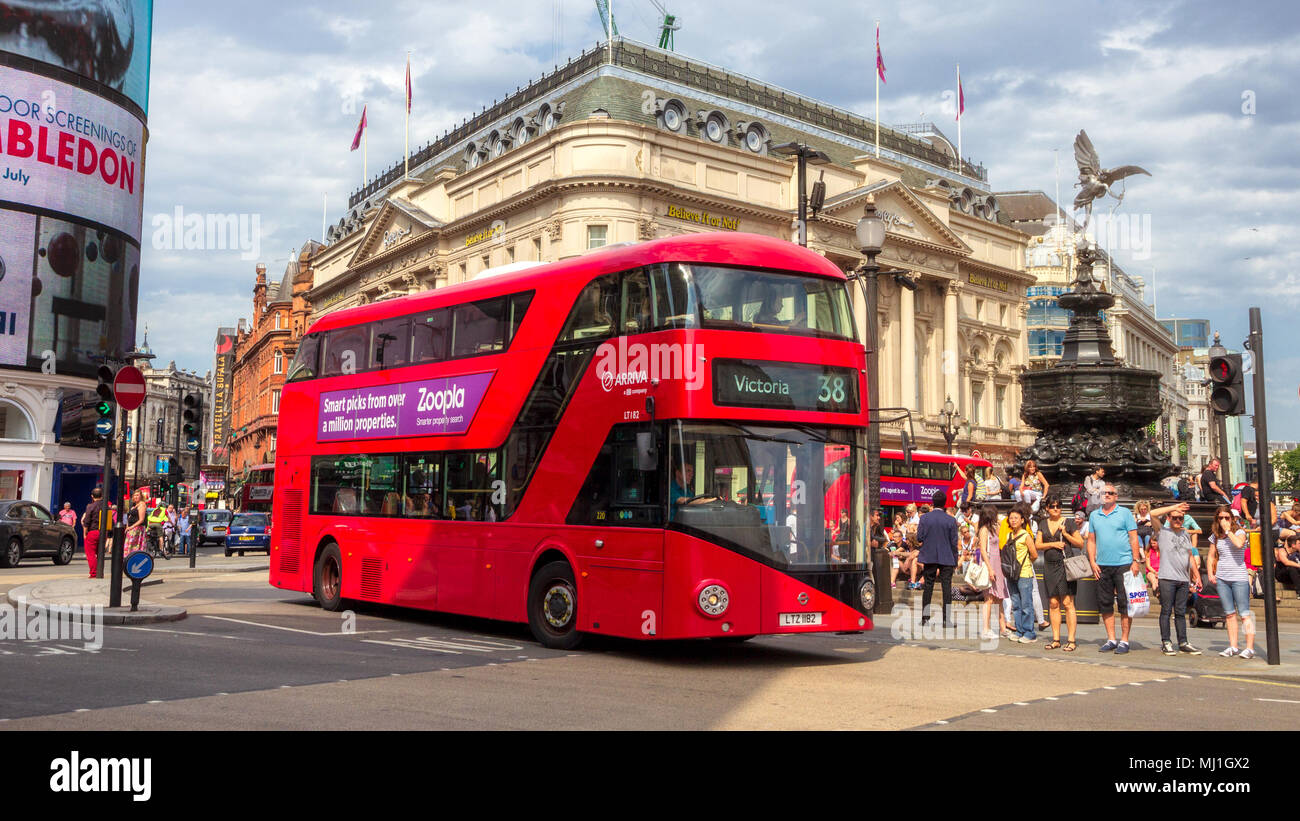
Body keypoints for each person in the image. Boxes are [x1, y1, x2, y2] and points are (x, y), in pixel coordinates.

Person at [1087, 482, 1141, 654]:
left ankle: (1124, 640)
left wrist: (1135, 560)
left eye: (1110, 493)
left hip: (1124, 563)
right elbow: (1091, 540)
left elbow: (1134, 538)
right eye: (1104, 493)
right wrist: (1092, 561)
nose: (1107, 495)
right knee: (1105, 603)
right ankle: (1111, 638)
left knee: (1125, 604)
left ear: (1116, 496)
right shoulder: (1094, 515)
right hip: (1102, 564)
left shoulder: (1124, 513)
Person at [1149, 501, 1203, 655]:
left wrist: (1196, 576)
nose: (1178, 521)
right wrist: (1175, 507)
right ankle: (1166, 641)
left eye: (1181, 518)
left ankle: (1183, 642)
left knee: (1180, 611)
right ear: (1169, 518)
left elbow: (1190, 556)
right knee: (1166, 610)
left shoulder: (1185, 533)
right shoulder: (1162, 532)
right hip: (1167, 578)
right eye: (1175, 518)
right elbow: (1152, 514)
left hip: (1183, 579)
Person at [1208, 505, 1256, 658]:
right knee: (1229, 614)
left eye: (1226, 517)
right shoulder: (1215, 535)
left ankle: (1249, 648)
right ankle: (1233, 646)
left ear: (1232, 518)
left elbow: (1239, 544)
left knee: (1244, 613)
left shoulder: (1240, 532)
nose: (1223, 520)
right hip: (1223, 577)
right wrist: (1211, 573)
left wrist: (1228, 531)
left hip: (1239, 577)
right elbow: (1210, 555)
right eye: (1220, 518)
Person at [1036, 494, 1078, 651]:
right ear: (1047, 508)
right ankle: (1056, 639)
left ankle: (1071, 640)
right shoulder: (1042, 523)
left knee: (1067, 603)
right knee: (1053, 603)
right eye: (1052, 506)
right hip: (1049, 565)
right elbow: (1037, 545)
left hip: (1065, 566)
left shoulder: (1069, 522)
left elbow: (1080, 543)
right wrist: (1054, 544)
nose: (1055, 509)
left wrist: (1066, 534)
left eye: (1058, 506)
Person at [916, 490, 960, 628]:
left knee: (928, 586)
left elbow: (919, 538)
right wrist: (955, 559)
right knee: (946, 587)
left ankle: (925, 618)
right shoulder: (951, 520)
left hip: (929, 556)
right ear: (945, 503)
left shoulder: (924, 518)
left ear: (932, 502)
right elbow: (954, 542)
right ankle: (947, 620)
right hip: (947, 556)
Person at [1004, 502, 1039, 643]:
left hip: (1024, 573)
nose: (1013, 520)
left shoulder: (1026, 535)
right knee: (1016, 604)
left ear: (1022, 520)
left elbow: (1034, 554)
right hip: (1011, 574)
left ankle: (1029, 632)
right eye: (1011, 518)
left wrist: (1025, 564)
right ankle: (1019, 630)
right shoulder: (1009, 536)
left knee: (1026, 605)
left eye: (1016, 518)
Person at [975, 504, 1009, 639]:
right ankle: (986, 629)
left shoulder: (994, 528)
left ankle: (1003, 627)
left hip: (997, 563)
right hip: (990, 563)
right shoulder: (984, 530)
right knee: (989, 598)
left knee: (999, 597)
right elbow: (983, 550)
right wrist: (989, 568)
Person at [80, 488, 105, 579]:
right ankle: (100, 571)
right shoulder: (106, 506)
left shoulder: (90, 506)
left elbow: (87, 521)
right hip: (103, 532)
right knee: (100, 553)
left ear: (92, 496)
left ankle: (94, 573)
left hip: (93, 531)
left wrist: (85, 533)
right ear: (102, 495)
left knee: (90, 554)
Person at [125, 490, 148, 555]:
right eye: (135, 495)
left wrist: (131, 527)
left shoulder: (142, 505)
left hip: (137, 529)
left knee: (134, 548)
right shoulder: (134, 506)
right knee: (130, 547)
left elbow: (141, 520)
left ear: (141, 496)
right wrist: (127, 527)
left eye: (137, 495)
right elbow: (129, 517)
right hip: (131, 529)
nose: (136, 497)